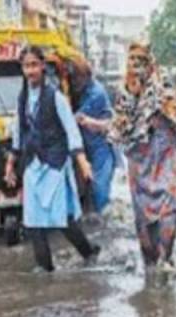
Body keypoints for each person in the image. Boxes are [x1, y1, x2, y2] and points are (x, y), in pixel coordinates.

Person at [108, 42, 176, 271]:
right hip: (140, 169)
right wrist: (131, 98)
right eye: (131, 62)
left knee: (167, 228)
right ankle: (151, 291)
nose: (135, 68)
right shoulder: (123, 97)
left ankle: (165, 272)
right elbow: (116, 131)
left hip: (167, 164)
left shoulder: (164, 93)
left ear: (150, 65)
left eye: (140, 62)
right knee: (147, 243)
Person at [4, 45, 100, 272]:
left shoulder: (55, 97)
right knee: (34, 223)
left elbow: (71, 130)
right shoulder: (22, 98)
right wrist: (11, 163)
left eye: (34, 65)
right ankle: (45, 270)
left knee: (61, 219)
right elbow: (19, 131)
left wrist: (83, 162)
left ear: (42, 67)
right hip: (32, 166)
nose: (30, 71)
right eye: (26, 66)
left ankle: (88, 252)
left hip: (55, 165)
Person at [68, 55, 116, 217]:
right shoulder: (81, 91)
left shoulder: (96, 93)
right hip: (86, 146)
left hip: (100, 147)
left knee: (99, 189)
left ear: (85, 76)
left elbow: (76, 119)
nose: (73, 83)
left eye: (76, 78)